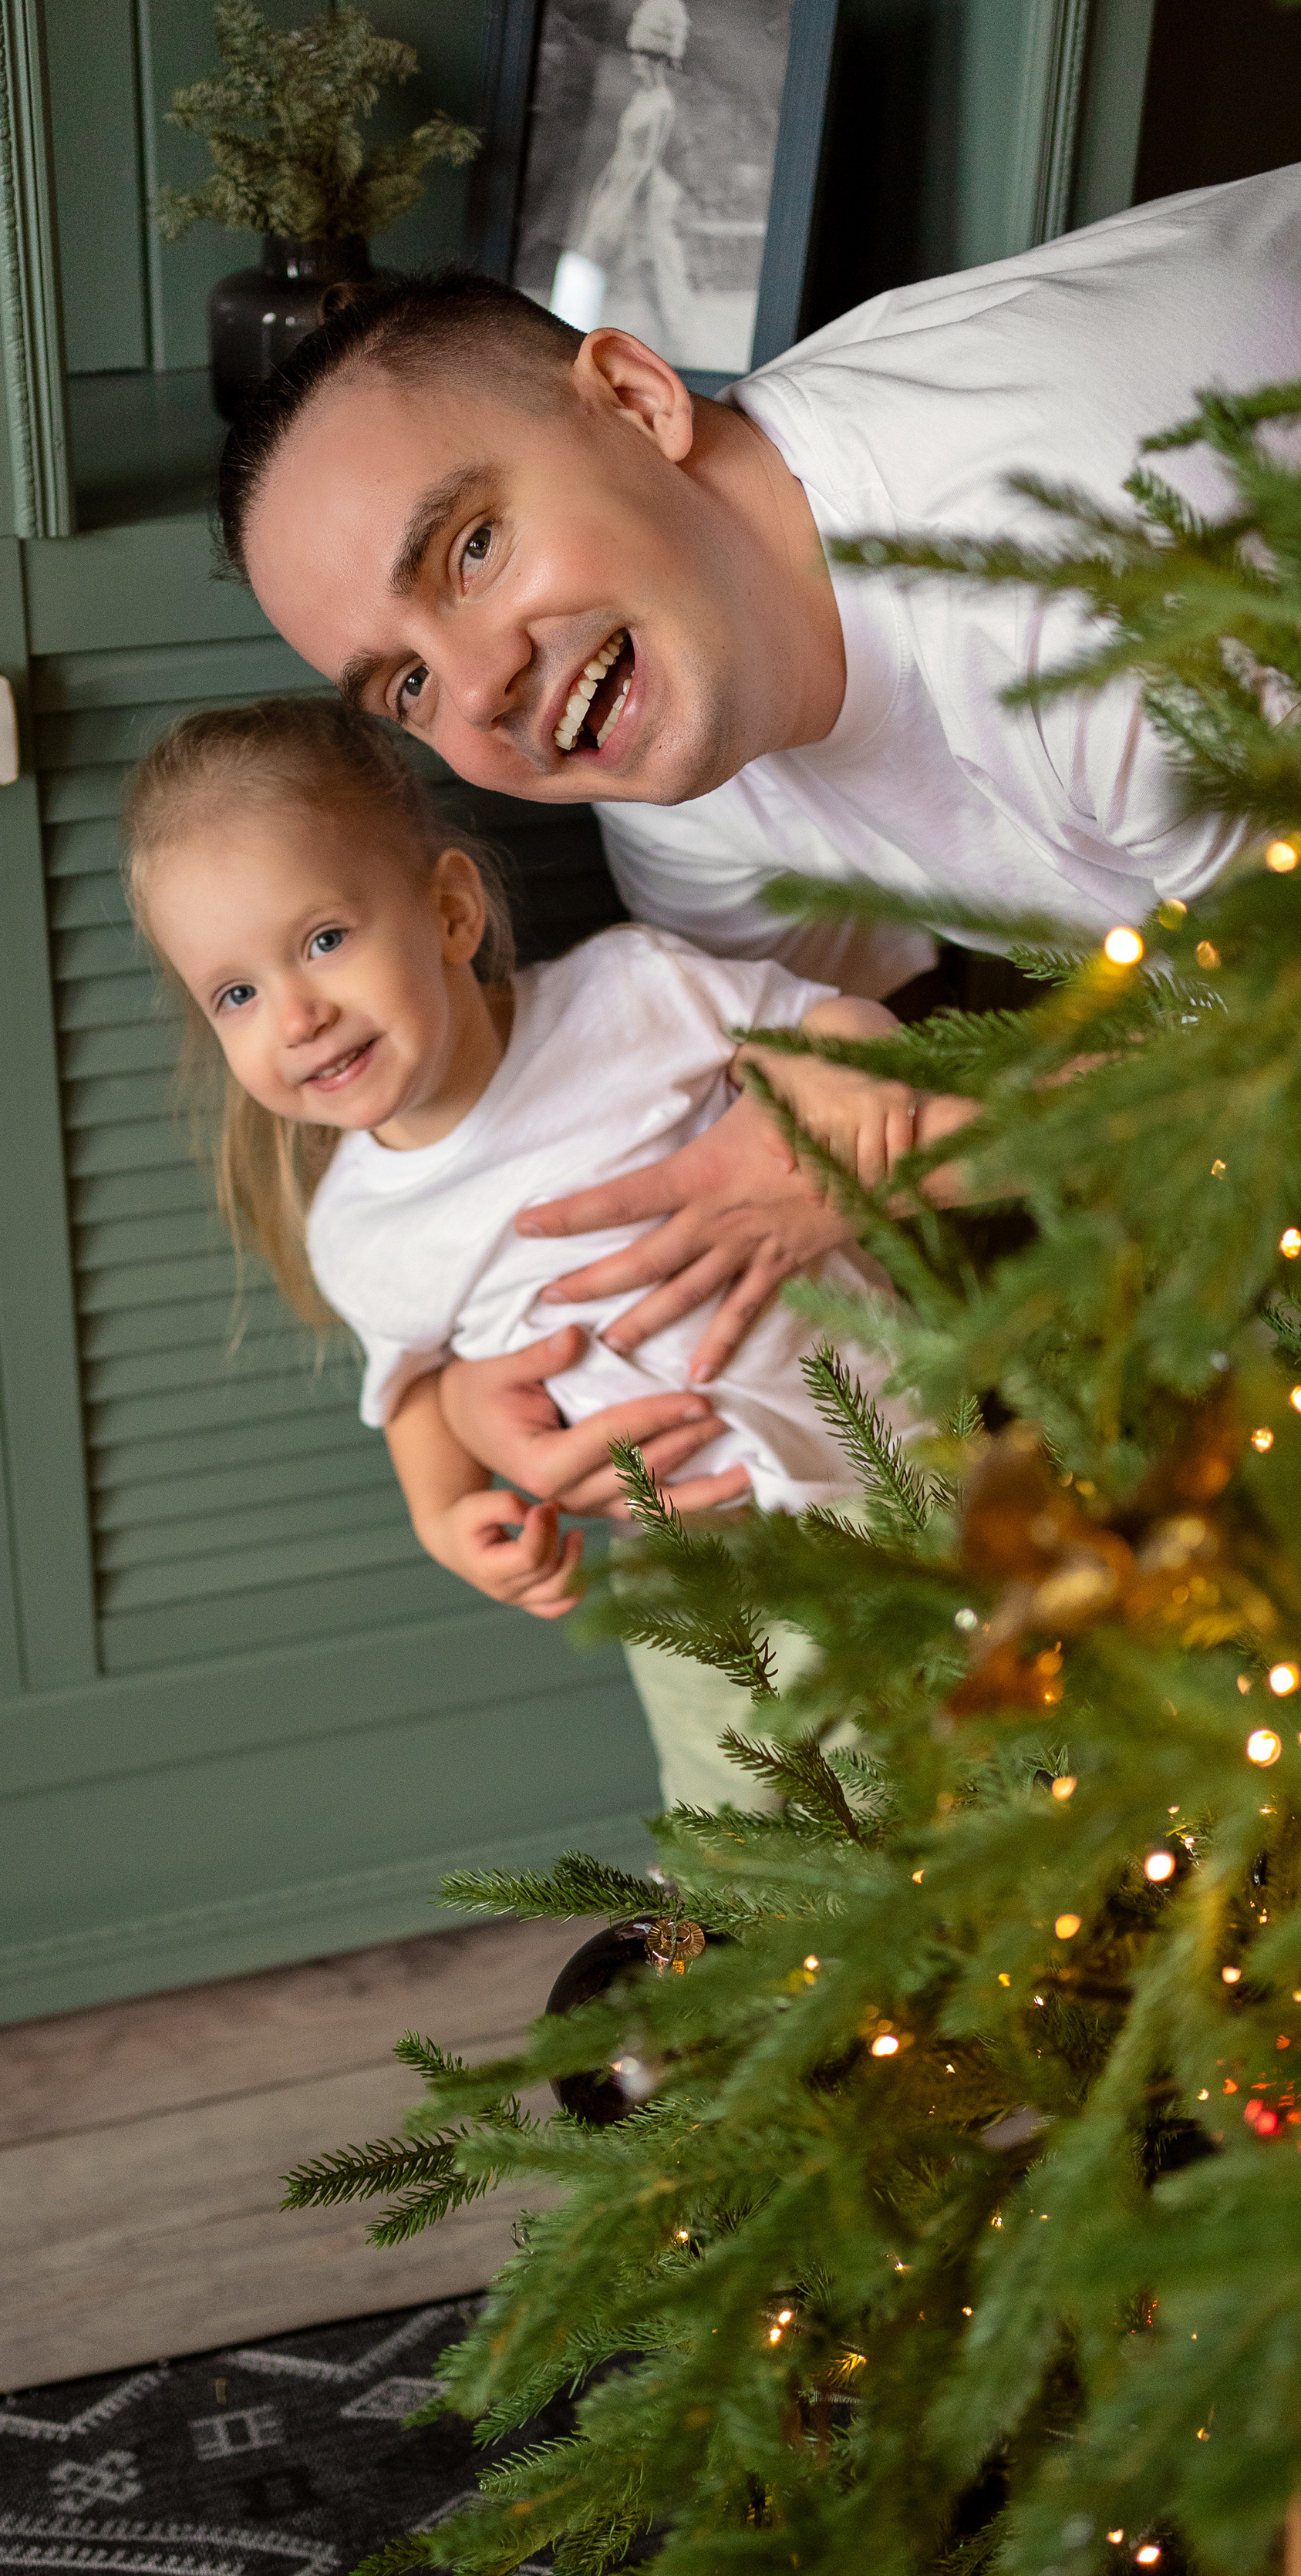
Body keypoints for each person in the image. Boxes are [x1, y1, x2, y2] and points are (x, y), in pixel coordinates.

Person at [213, 158, 1301, 1507]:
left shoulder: (1078, 590)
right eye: (404, 686)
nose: (473, 692)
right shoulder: (678, 741)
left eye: (471, 550)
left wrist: (905, 1153)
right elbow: (748, 1113)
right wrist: (467, 1399)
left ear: (637, 402)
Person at [120, 695, 974, 1807]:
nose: (296, 1016)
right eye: (236, 993)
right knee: (743, 1817)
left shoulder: (632, 994)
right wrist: (443, 1516)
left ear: (449, 912)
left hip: (897, 1454)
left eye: (324, 940)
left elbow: (831, 1028)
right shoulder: (362, 1232)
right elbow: (417, 1389)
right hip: (687, 1556)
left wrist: (846, 1060)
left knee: (981, 1757)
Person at [548, 0, 697, 362]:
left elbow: (646, 161)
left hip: (638, 194)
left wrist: (622, 205)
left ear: (655, 59)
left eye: (640, 55)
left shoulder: (662, 104)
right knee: (605, 266)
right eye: (634, 54)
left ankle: (669, 343)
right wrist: (604, 188)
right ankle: (578, 339)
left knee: (645, 269)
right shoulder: (641, 100)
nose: (633, 61)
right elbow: (622, 152)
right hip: (619, 185)